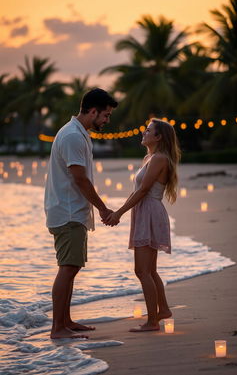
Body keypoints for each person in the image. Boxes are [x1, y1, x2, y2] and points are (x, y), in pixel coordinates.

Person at [44, 88, 118, 339]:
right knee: (68, 267)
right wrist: (103, 208)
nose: (107, 120)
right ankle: (58, 328)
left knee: (71, 267)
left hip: (71, 211)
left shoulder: (77, 133)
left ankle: (66, 321)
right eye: (105, 115)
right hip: (68, 212)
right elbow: (80, 179)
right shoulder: (72, 136)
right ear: (93, 111)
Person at [104, 118, 180, 332]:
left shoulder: (159, 159)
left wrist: (119, 213)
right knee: (150, 270)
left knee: (142, 270)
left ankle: (153, 321)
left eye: (148, 131)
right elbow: (137, 190)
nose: (143, 133)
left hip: (149, 212)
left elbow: (144, 190)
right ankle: (162, 309)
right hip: (145, 211)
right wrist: (117, 211)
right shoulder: (150, 158)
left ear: (158, 137)